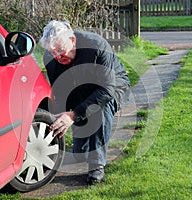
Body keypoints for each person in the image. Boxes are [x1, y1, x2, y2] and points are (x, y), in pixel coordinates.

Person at [39, 20, 130, 184]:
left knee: (102, 106)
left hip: (113, 84)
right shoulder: (51, 58)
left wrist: (73, 115)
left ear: (72, 40)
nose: (58, 57)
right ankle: (83, 146)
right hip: (81, 84)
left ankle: (97, 165)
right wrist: (61, 117)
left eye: (60, 50)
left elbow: (106, 90)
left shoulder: (96, 46)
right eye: (52, 53)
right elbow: (61, 91)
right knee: (79, 153)